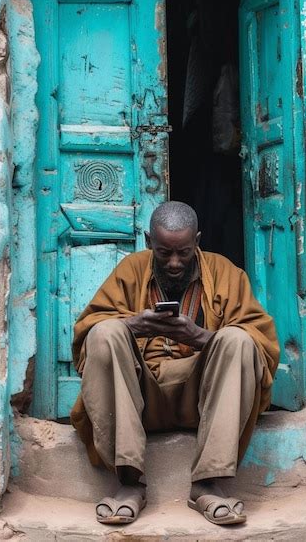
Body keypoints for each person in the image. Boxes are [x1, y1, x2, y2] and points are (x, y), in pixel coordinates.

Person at [70, 201, 279, 526]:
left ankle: (207, 483)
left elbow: (261, 345)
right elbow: (87, 332)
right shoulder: (130, 270)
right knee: (105, 331)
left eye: (183, 251)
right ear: (148, 240)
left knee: (239, 339)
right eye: (164, 253)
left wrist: (200, 337)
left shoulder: (225, 272)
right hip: (139, 403)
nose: (175, 263)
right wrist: (133, 326)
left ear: (197, 240)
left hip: (202, 400)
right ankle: (129, 482)